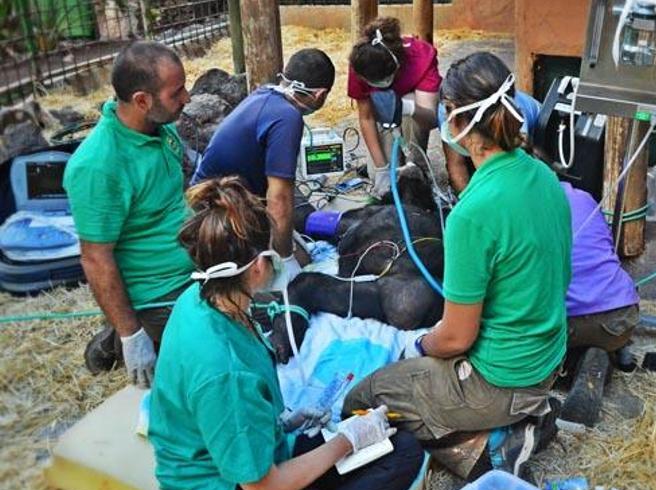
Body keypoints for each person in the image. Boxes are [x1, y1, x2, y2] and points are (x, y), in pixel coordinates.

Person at [344, 53, 572, 479]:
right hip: (547, 360)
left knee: (365, 396)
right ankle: (516, 415)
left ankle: (490, 449)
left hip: (502, 379)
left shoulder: (472, 213)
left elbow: (455, 338)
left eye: (446, 111)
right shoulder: (543, 175)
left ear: (458, 121)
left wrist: (418, 346)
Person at [149, 177, 424, 490]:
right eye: (271, 252)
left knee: (400, 449)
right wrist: (347, 441)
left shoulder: (204, 296)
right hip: (224, 485)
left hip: (252, 451)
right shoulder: (225, 373)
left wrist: (281, 422)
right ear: (256, 268)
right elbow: (263, 488)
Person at [63, 41, 194, 388]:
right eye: (177, 92)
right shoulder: (97, 166)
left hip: (190, 268)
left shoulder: (160, 128)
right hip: (158, 291)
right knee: (223, 345)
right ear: (141, 101)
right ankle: (127, 334)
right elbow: (95, 257)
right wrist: (131, 334)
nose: (188, 98)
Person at [192, 49, 336, 268]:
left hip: (219, 193)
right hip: (216, 211)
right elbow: (279, 200)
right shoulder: (288, 117)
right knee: (296, 265)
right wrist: (285, 260)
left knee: (302, 252)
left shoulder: (264, 94)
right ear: (320, 95)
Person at [557, 181, 640, 428]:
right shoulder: (584, 197)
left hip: (566, 326)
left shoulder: (524, 206)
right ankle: (597, 355)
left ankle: (572, 362)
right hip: (620, 317)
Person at [348, 17, 441, 197]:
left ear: (398, 64)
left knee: (410, 97)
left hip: (412, 113)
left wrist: (408, 108)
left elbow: (430, 120)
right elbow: (366, 117)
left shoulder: (422, 56)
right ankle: (388, 166)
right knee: (382, 180)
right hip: (380, 115)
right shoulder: (361, 61)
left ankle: (416, 164)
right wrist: (381, 168)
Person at [435, 52, 542, 194]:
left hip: (535, 138)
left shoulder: (513, 116)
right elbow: (456, 166)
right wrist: (466, 203)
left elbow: (514, 176)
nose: (446, 114)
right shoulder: (447, 109)